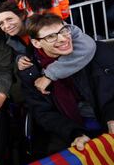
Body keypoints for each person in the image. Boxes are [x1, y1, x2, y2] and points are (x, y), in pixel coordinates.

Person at [19, 13, 114, 154]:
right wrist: (74, 133)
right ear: (36, 43)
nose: (64, 39)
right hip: (67, 132)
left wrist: (111, 118)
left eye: (64, 31)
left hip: (105, 117)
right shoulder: (31, 72)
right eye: (51, 36)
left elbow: (109, 89)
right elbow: (43, 112)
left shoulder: (98, 51)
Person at [0, 1, 96, 94]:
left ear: (21, 16)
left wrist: (50, 75)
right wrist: (19, 58)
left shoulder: (44, 24)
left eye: (9, 19)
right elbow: (16, 54)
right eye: (1, 23)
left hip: (77, 80)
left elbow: (86, 45)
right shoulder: (10, 39)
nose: (6, 25)